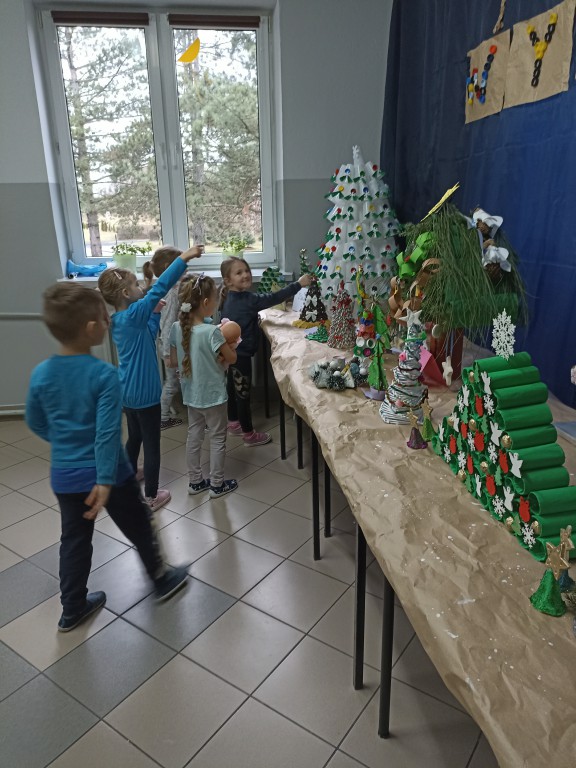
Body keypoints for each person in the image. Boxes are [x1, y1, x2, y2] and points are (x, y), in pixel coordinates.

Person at [25, 283, 188, 632]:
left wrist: (65, 445)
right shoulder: (105, 376)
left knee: (74, 539)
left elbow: (35, 421)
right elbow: (106, 434)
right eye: (104, 318)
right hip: (110, 476)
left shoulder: (41, 374)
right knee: (139, 526)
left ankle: (72, 608)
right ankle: (161, 579)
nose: (108, 322)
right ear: (91, 329)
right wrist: (101, 479)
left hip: (65, 477)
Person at [98, 245, 203, 511]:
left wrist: (155, 313)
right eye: (135, 285)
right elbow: (159, 287)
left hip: (127, 393)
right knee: (153, 445)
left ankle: (130, 473)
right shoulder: (133, 314)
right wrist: (183, 259)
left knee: (135, 437)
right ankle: (152, 496)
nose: (141, 288)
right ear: (125, 294)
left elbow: (148, 333)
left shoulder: (121, 319)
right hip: (145, 395)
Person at [220, 257, 313, 445]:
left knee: (232, 388)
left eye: (246, 270)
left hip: (231, 355)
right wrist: (298, 284)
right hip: (241, 356)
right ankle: (249, 434)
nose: (245, 275)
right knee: (242, 394)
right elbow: (273, 298)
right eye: (239, 272)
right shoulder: (248, 300)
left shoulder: (229, 298)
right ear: (228, 281)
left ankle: (234, 423)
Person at [170, 275, 238, 498]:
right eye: (215, 300)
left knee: (194, 436)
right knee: (218, 438)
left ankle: (195, 481)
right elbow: (232, 358)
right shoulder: (212, 332)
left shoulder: (177, 328)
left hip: (191, 395)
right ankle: (217, 484)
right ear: (206, 303)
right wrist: (233, 344)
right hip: (214, 396)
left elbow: (173, 361)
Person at [143, 245, 185, 431]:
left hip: (172, 346)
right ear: (170, 267)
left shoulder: (167, 288)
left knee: (177, 382)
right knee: (173, 384)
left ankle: (164, 415)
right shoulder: (171, 293)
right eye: (183, 264)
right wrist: (169, 353)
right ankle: (163, 418)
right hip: (171, 347)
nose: (186, 267)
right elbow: (167, 325)